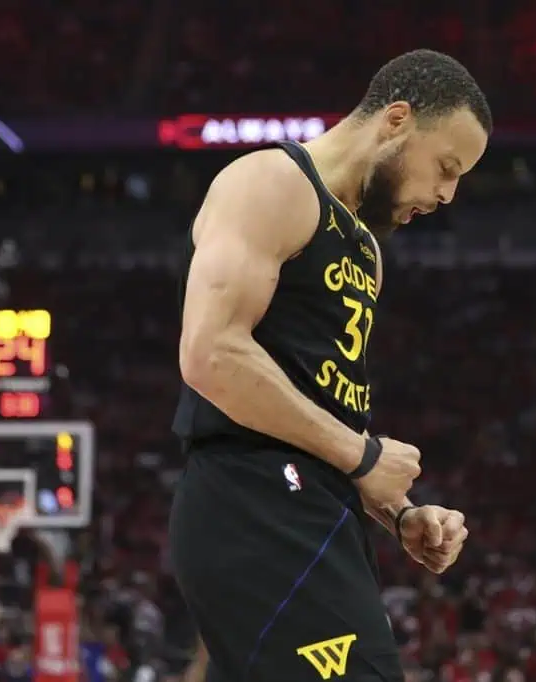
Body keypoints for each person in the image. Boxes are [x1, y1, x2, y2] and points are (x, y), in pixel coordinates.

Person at [169, 49, 491, 682]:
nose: (447, 195)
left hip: (316, 506)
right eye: (446, 168)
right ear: (396, 120)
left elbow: (322, 415)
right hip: (253, 500)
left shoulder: (365, 249)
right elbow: (211, 353)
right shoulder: (271, 182)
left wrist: (397, 511)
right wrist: (364, 457)